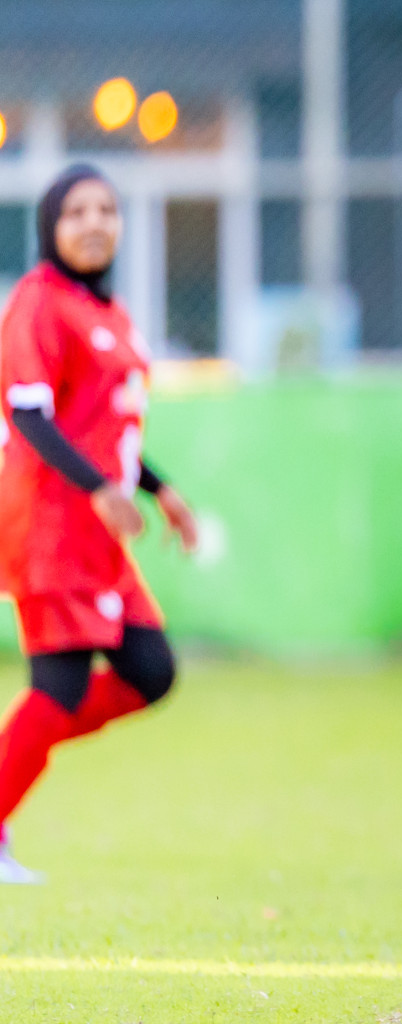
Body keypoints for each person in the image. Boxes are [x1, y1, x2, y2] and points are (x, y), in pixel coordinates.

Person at [0, 164, 198, 884]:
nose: (93, 222)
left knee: (151, 672)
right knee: (58, 690)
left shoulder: (107, 312)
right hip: (51, 526)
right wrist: (100, 490)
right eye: (76, 210)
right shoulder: (38, 303)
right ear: (50, 226)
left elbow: (104, 430)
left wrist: (159, 489)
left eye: (106, 209)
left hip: (96, 532)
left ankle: (20, 749)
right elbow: (29, 414)